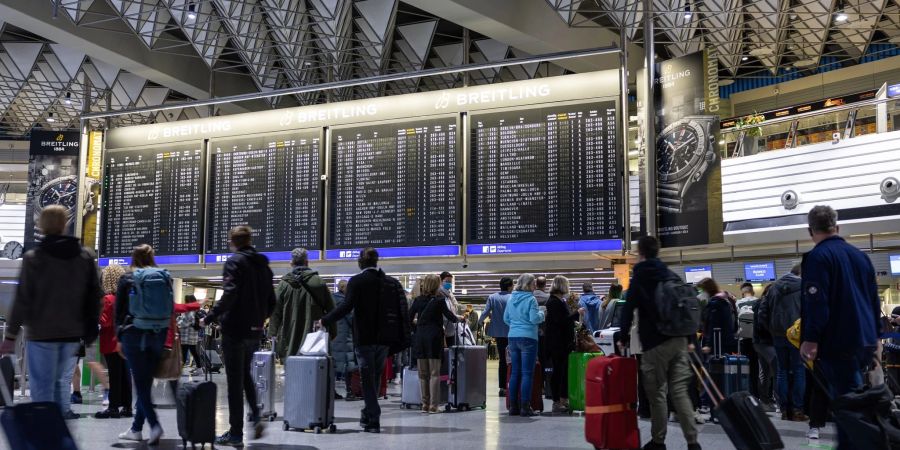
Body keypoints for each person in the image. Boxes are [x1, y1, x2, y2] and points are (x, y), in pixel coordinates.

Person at [0, 205, 102, 420]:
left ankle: (46, 434)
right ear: (65, 224)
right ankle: (60, 434)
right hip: (72, 334)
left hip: (41, 334)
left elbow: (22, 299)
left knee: (42, 388)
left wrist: (10, 335)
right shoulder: (84, 257)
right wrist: (90, 330)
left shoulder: (34, 257)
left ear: (41, 225)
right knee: (60, 383)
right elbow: (94, 296)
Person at [800, 205, 880, 449]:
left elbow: (817, 302)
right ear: (837, 226)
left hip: (839, 340)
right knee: (852, 399)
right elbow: (873, 300)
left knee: (846, 404)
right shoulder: (860, 256)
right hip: (864, 339)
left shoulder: (817, 257)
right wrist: (876, 336)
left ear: (810, 230)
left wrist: (810, 339)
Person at [618, 236, 701, 450]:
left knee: (657, 394)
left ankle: (658, 441)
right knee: (680, 391)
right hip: (679, 340)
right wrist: (690, 338)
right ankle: (693, 442)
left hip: (655, 342)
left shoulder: (641, 276)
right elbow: (684, 307)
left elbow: (628, 309)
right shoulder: (670, 274)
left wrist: (623, 336)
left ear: (640, 252)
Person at [319, 247, 410, 433]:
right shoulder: (390, 283)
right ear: (376, 261)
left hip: (365, 337)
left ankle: (373, 417)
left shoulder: (357, 282)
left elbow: (346, 306)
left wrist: (325, 320)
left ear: (360, 262)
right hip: (385, 338)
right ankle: (368, 415)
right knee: (374, 376)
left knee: (367, 378)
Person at [200, 226, 276, 446]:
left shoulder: (235, 262)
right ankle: (256, 414)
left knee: (234, 383)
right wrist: (260, 319)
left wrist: (211, 316)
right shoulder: (264, 266)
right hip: (254, 331)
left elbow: (230, 293)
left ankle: (235, 434)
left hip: (234, 330)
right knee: (245, 375)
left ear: (233, 241)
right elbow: (272, 301)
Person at [113, 244, 173, 445]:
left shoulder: (128, 278)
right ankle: (136, 429)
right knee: (145, 383)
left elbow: (119, 312)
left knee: (141, 385)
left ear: (134, 258)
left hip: (134, 334)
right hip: (158, 333)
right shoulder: (165, 277)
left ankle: (155, 426)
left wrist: (119, 337)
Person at [268, 248, 336, 361]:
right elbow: (331, 310)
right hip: (314, 341)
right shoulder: (319, 282)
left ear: (291, 263)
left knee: (292, 371)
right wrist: (332, 333)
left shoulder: (283, 285)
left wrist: (273, 334)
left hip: (289, 338)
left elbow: (275, 312)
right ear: (307, 262)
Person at [759, 263, 806, 422]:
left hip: (778, 336)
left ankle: (784, 409)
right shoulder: (803, 286)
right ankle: (798, 410)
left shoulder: (774, 287)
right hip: (797, 335)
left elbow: (762, 312)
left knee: (782, 371)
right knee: (799, 370)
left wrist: (772, 329)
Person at [408, 274, 459, 413]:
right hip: (435, 337)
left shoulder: (417, 300)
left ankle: (424, 405)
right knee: (434, 373)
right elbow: (450, 317)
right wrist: (459, 319)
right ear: (436, 285)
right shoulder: (439, 300)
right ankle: (433, 405)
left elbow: (408, 318)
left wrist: (416, 329)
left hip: (420, 338)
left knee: (422, 374)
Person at [504, 273, 545, 417]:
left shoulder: (511, 298)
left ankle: (513, 407)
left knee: (515, 373)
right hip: (528, 338)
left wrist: (516, 326)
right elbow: (534, 319)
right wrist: (542, 314)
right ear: (528, 285)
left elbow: (506, 318)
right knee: (527, 373)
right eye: (533, 283)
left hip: (513, 338)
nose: (535, 286)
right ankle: (525, 407)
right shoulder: (531, 299)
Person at [96, 264, 132, 419]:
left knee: (114, 375)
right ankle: (127, 406)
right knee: (125, 375)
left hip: (111, 341)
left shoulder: (108, 299)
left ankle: (113, 407)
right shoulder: (126, 298)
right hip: (125, 341)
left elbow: (105, 322)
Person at [545, 275, 584, 413]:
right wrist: (576, 313)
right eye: (567, 284)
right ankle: (557, 401)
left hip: (562, 342)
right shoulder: (554, 302)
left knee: (563, 372)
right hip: (558, 342)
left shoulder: (559, 301)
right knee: (558, 372)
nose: (568, 287)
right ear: (561, 286)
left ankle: (563, 399)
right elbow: (561, 321)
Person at [479, 277, 513, 397]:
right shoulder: (513, 297)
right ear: (510, 286)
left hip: (498, 333)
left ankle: (502, 388)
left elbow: (485, 312)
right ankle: (512, 386)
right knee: (512, 360)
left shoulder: (492, 297)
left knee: (502, 360)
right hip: (512, 333)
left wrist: (479, 323)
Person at [753, 284, 778, 412]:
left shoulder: (760, 303)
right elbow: (763, 324)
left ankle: (765, 400)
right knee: (776, 370)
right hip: (765, 342)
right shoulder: (764, 303)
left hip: (761, 342)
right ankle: (774, 401)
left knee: (766, 372)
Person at [332, 279, 357, 400]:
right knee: (348, 364)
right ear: (343, 288)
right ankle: (350, 391)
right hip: (346, 337)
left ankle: (332, 391)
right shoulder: (345, 302)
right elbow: (351, 319)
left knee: (334, 365)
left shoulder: (332, 300)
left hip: (334, 337)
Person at [698, 278, 738, 356]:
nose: (702, 293)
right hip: (727, 340)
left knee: (716, 366)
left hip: (717, 343)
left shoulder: (715, 303)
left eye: (703, 290)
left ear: (708, 289)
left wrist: (709, 344)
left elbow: (713, 325)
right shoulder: (727, 299)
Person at [735, 282, 760, 399]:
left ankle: (747, 394)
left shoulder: (738, 303)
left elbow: (735, 323)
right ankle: (757, 395)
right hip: (756, 339)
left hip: (743, 340)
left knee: (745, 368)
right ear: (753, 291)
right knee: (757, 369)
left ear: (742, 292)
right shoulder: (758, 301)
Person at [177, 295, 203, 375]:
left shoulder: (189, 310)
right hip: (192, 335)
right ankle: (199, 369)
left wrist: (178, 322)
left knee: (184, 352)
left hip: (187, 335)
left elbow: (185, 322)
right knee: (193, 352)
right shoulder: (195, 309)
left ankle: (179, 370)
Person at [440, 271, 462, 346]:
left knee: (451, 352)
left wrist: (457, 316)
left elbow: (455, 307)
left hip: (451, 328)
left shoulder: (450, 294)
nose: (449, 283)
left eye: (450, 281)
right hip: (443, 327)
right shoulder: (439, 294)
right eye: (447, 281)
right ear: (441, 281)